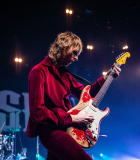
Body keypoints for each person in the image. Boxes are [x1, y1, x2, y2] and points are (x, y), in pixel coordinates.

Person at [26, 31, 121, 160]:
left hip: (65, 129)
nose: (76, 58)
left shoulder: (65, 75)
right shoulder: (39, 71)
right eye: (74, 52)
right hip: (50, 131)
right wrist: (73, 119)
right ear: (63, 46)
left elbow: (87, 94)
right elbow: (37, 113)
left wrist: (107, 77)